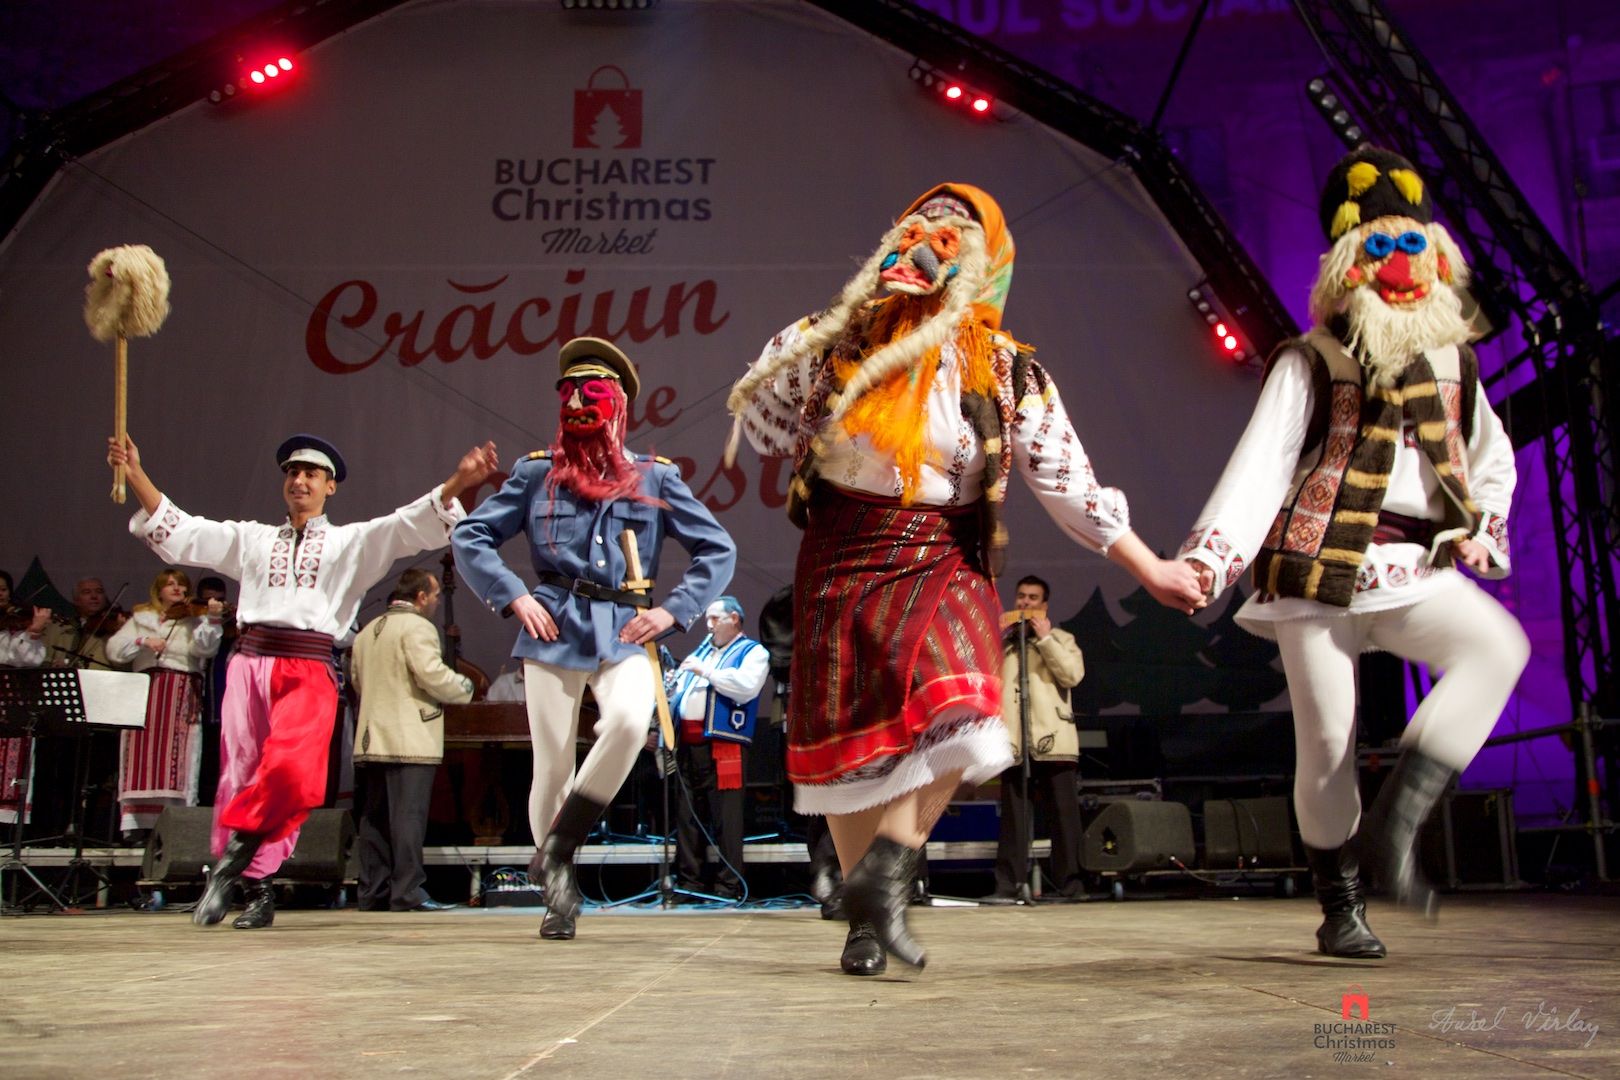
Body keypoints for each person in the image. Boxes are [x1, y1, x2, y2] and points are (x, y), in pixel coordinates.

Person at [726, 183, 1206, 974]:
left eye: (954, 236)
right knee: (853, 751)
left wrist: (1148, 566)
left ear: (984, 265)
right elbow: (764, 427)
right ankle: (865, 918)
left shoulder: (1007, 369)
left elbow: (1069, 483)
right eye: (919, 228)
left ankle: (887, 869)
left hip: (942, 549)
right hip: (842, 547)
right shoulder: (838, 339)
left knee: (973, 705)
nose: (930, 242)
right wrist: (826, 328)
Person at [1177, 147, 1528, 959]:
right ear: (1348, 267)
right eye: (1379, 249)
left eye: (1412, 248)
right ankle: (1340, 905)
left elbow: (1492, 460)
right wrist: (1210, 561)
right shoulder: (1311, 359)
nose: (1399, 267)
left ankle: (1398, 821)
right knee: (1329, 744)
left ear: (1436, 261)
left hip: (1413, 567)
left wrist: (1483, 527)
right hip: (1316, 571)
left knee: (1497, 647)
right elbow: (1261, 467)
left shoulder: (1455, 364)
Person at [107, 430, 498, 929]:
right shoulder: (252, 538)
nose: (300, 480)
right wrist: (136, 471)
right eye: (293, 472)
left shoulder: (351, 542)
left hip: (308, 665)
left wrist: (460, 481)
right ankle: (258, 890)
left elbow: (407, 524)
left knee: (292, 774)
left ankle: (228, 867)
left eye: (312, 473)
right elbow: (184, 531)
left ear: (330, 486)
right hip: (248, 664)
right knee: (241, 775)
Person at [453, 336, 736, 940]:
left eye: (594, 392)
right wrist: (515, 595)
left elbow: (717, 548)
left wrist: (674, 612)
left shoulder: (655, 477)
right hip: (553, 622)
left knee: (630, 724)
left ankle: (556, 849)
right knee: (553, 763)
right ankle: (558, 893)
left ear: (620, 403)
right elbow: (471, 535)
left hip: (625, 624)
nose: (579, 402)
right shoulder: (536, 472)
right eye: (569, 392)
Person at [351, 567, 473, 913]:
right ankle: (407, 891)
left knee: (373, 820)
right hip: (409, 737)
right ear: (421, 597)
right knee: (408, 817)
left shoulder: (367, 631)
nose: (437, 601)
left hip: (370, 737)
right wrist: (465, 687)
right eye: (435, 595)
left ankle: (373, 892)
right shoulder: (418, 627)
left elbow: (357, 681)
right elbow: (430, 673)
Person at [104, 568, 224, 845]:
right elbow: (114, 650)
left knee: (179, 758)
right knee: (139, 757)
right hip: (145, 694)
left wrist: (212, 619)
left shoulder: (194, 619)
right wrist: (143, 641)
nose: (178, 589)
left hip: (180, 693)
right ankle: (138, 827)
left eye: (182, 585)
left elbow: (205, 650)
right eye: (171, 584)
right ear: (158, 590)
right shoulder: (141, 618)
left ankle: (175, 825)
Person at [987, 574, 1086, 902]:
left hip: (1054, 741)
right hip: (1015, 743)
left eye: (1032, 598)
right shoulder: (1005, 645)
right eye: (1021, 597)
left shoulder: (1062, 639)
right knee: (1013, 821)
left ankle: (1071, 885)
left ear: (1044, 605)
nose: (1025, 603)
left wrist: (1045, 640)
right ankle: (1008, 885)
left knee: (1064, 818)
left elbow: (1072, 675)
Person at [666, 596, 770, 901]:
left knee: (727, 817)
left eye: (715, 619)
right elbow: (682, 693)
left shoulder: (753, 652)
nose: (709, 626)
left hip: (724, 745)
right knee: (687, 816)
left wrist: (706, 672)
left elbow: (746, 686)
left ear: (734, 619)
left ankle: (729, 885)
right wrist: (673, 683)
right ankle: (690, 883)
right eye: (707, 620)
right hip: (688, 744)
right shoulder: (703, 653)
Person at [0, 569, 51, 827]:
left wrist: (33, 632)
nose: (0, 594)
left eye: (3, 589)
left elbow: (27, 659)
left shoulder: (17, 626)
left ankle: (8, 827)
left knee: (14, 762)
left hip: (12, 698)